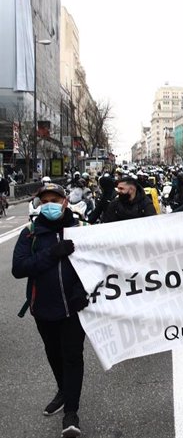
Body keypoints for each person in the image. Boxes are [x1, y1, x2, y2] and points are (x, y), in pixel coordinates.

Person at [12, 183, 89, 437]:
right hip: (43, 309)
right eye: (45, 201)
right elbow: (19, 268)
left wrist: (80, 292)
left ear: (65, 201)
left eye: (54, 199)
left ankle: (71, 413)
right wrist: (54, 253)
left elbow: (95, 265)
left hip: (73, 310)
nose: (50, 205)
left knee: (72, 357)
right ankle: (63, 391)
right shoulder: (30, 234)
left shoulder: (80, 230)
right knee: (54, 355)